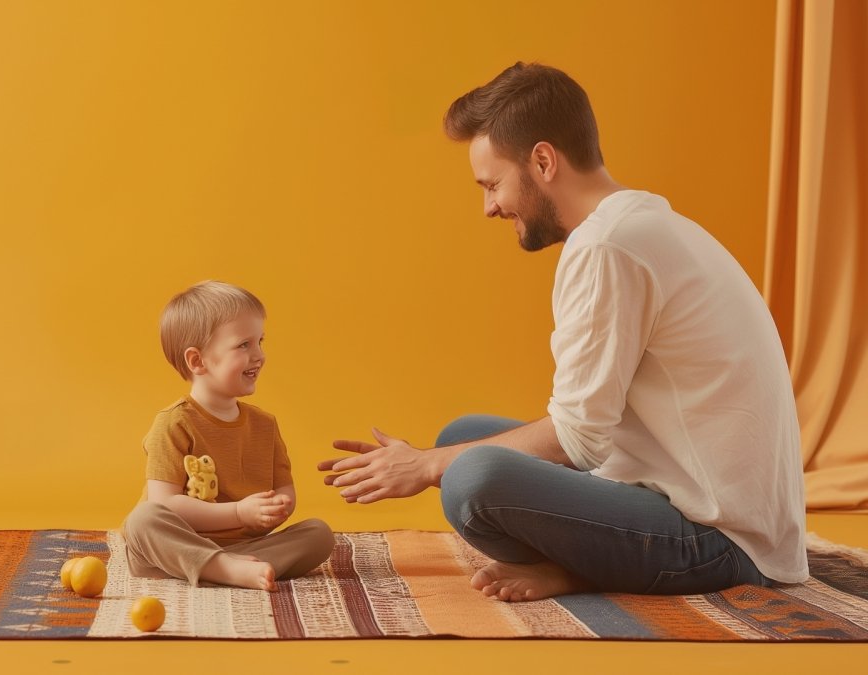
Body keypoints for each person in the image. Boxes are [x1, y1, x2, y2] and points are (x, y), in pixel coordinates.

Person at [318, 62, 808, 602]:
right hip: (697, 494)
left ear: (543, 161)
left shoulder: (605, 248)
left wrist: (427, 467)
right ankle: (579, 566)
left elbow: (579, 440)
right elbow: (591, 431)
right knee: (464, 434)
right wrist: (435, 458)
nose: (489, 207)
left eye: (493, 184)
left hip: (720, 540)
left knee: (468, 478)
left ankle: (583, 571)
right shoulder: (637, 224)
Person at [124, 280, 334, 591]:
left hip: (243, 548)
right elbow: (166, 505)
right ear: (197, 361)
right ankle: (220, 566)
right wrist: (238, 512)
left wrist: (276, 508)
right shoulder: (174, 423)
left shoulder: (265, 425)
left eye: (260, 341)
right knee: (142, 520)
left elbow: (284, 490)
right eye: (243, 345)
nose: (259, 355)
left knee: (319, 534)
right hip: (171, 546)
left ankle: (222, 566)